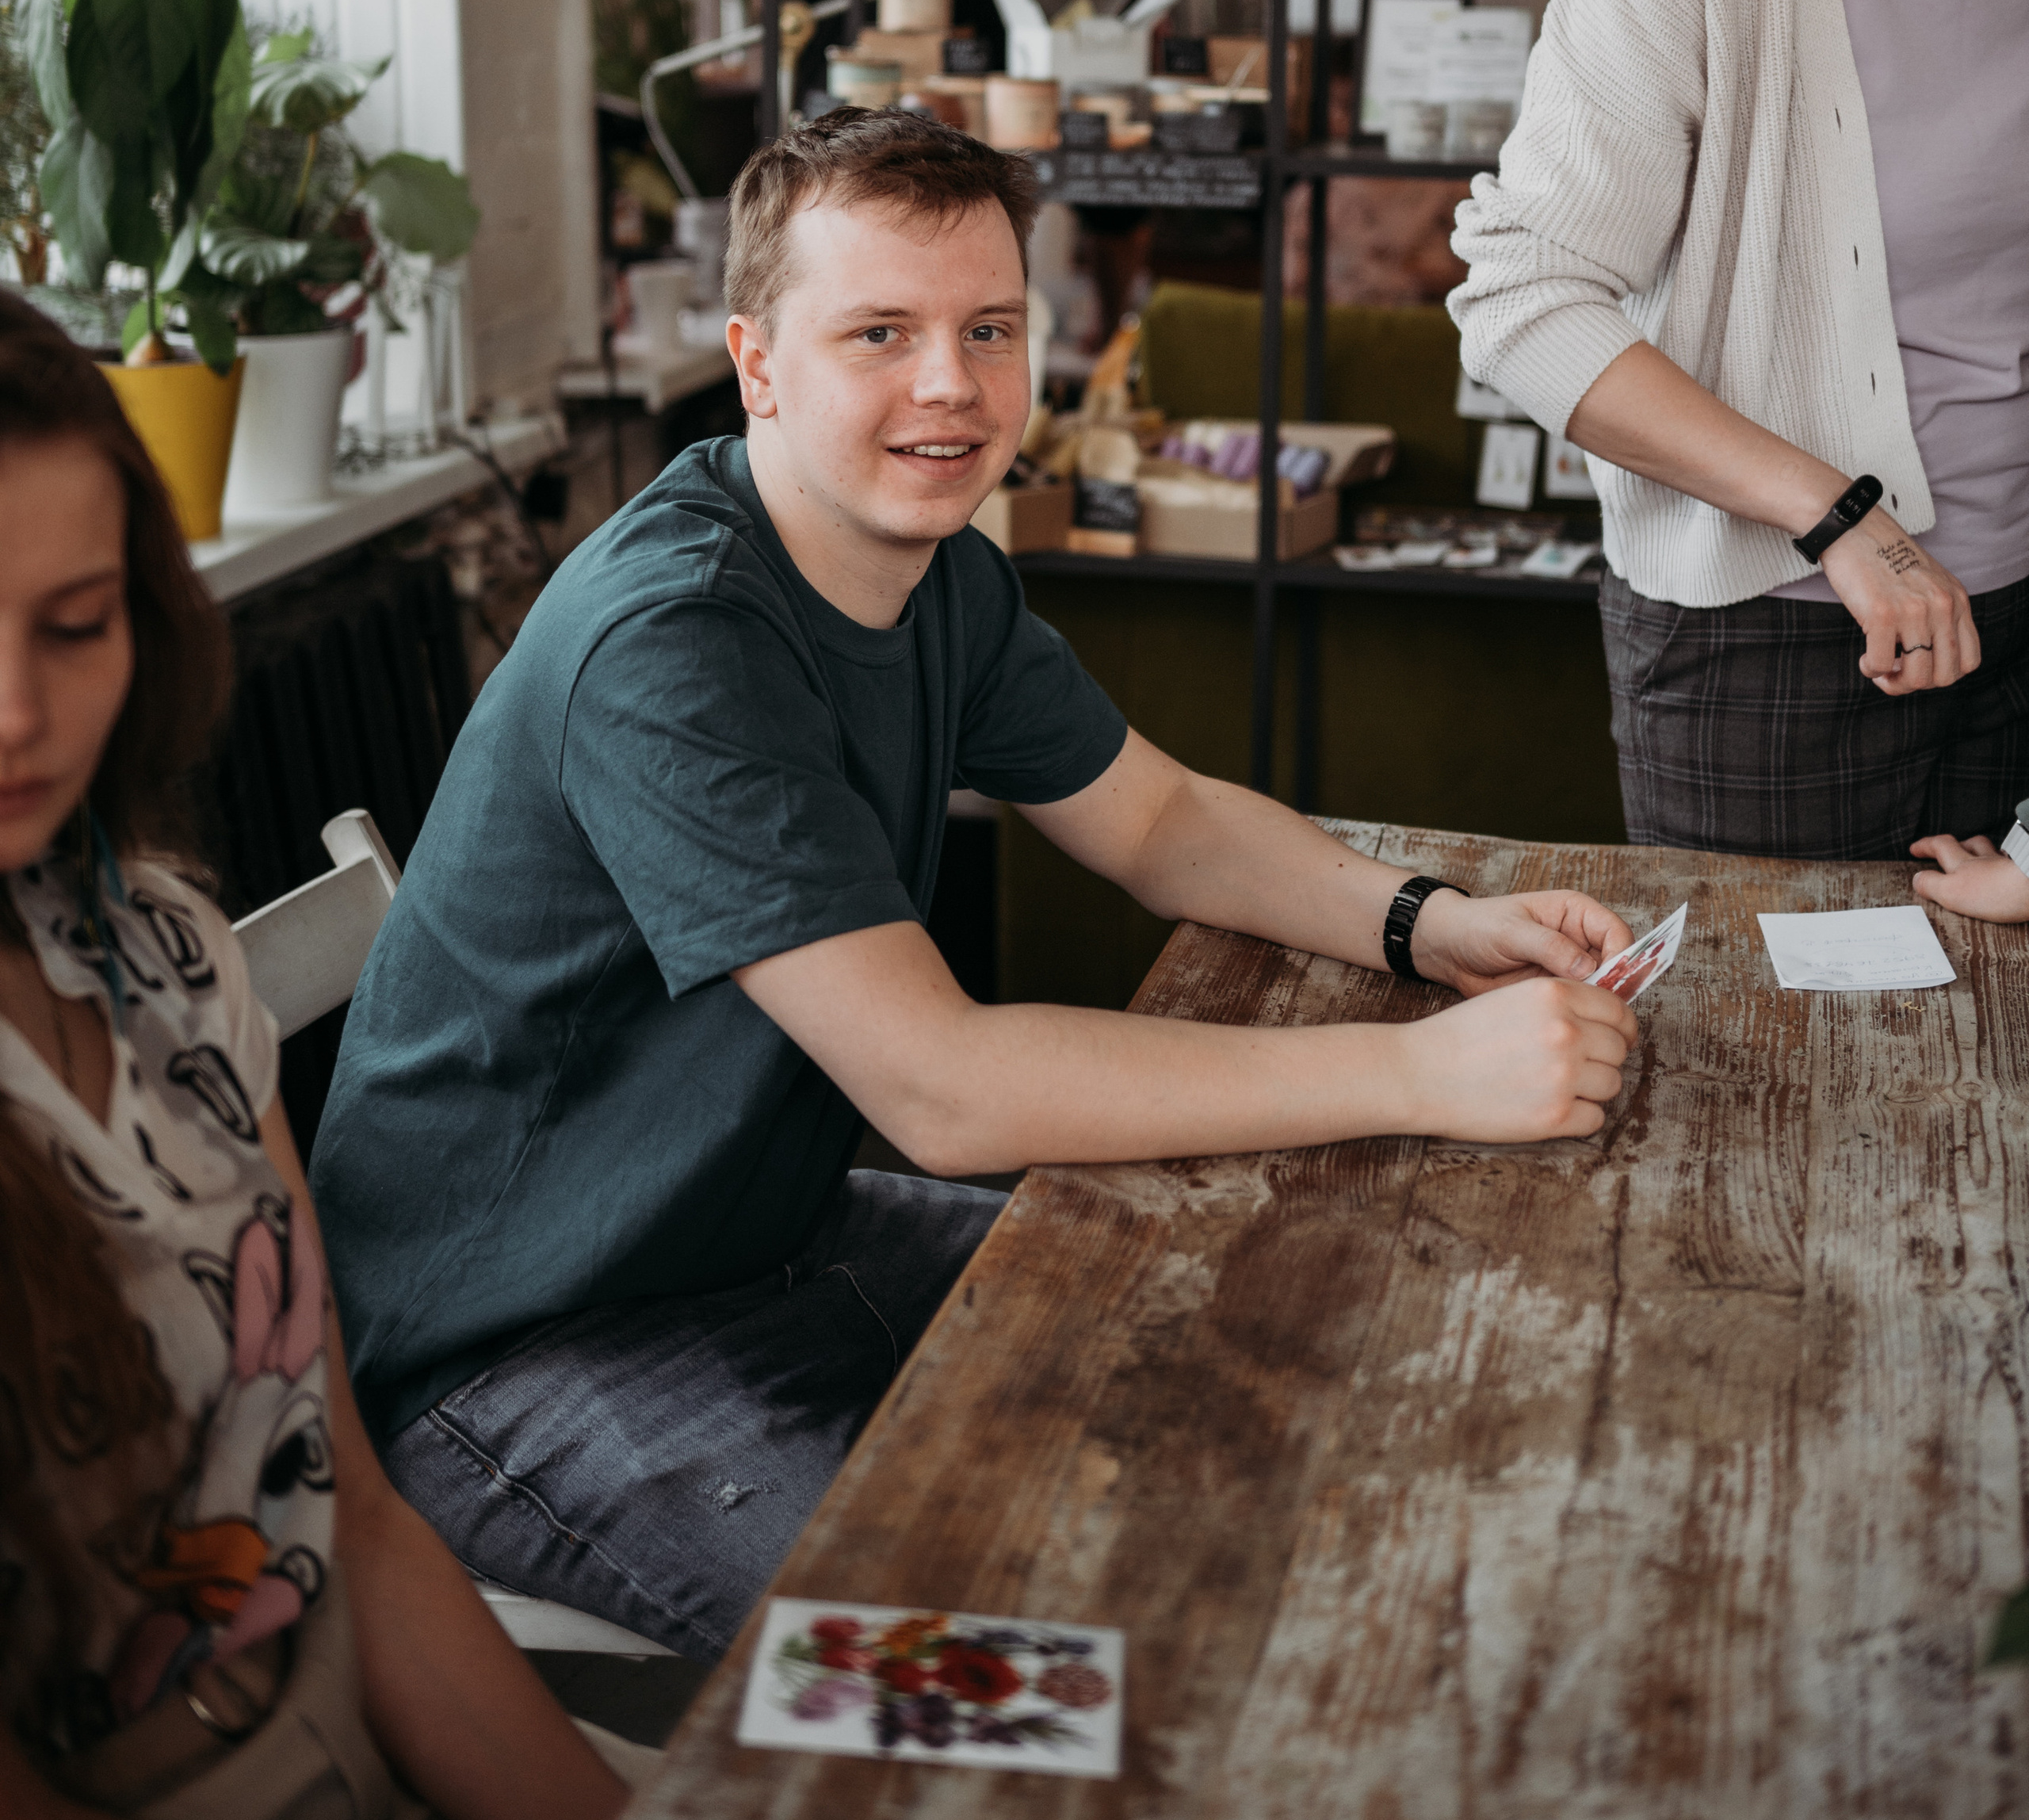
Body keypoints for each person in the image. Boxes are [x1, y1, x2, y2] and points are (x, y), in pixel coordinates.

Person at [312, 108, 1638, 1669]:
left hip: (756, 1235)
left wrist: (1430, 923)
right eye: (879, 330)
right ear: (757, 362)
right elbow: (940, 1089)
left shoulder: (937, 564)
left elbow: (1155, 821)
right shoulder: (672, 642)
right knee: (1021, 1671)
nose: (949, 384)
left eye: (987, 329)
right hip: (520, 1348)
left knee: (1277, 1365)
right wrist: (1420, 1070)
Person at [0, 296, 641, 1820]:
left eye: (73, 624)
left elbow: (350, 1513)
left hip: (358, 1743)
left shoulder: (159, 948)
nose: (16, 710)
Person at [1449, 0, 2029, 865]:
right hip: (1770, 643)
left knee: (1990, 1084)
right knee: (1762, 1072)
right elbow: (1522, 301)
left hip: (2024, 624)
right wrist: (1840, 517)